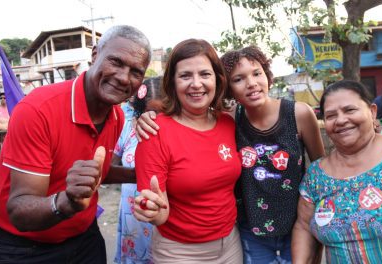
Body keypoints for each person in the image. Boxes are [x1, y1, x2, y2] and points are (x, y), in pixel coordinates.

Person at [136, 45, 325, 263]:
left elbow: (320, 172)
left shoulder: (288, 114)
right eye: (238, 79)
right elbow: (159, 207)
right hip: (227, 238)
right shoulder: (227, 120)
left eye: (257, 74)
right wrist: (149, 114)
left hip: (284, 230)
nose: (251, 83)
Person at [0, 25, 151, 263]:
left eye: (136, 72)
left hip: (84, 238)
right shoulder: (38, 110)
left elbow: (98, 173)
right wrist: (66, 202)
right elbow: (19, 211)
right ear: (95, 54)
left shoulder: (116, 116)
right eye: (116, 62)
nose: (123, 77)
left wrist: (144, 174)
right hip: (24, 248)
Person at [292, 80, 382, 263]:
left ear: (372, 112)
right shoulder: (317, 176)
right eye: (331, 115)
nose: (341, 120)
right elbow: (304, 227)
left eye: (350, 110)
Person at [133, 39, 243, 263]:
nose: (196, 84)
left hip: (231, 244)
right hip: (179, 253)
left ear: (217, 79)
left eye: (205, 74)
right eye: (185, 76)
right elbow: (160, 211)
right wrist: (153, 211)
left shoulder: (228, 123)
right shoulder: (155, 131)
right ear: (172, 82)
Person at [113, 77, 161, 264]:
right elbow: (111, 165)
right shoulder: (127, 129)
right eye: (151, 111)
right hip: (132, 213)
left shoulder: (177, 130)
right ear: (140, 110)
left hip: (163, 214)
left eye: (162, 111)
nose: (156, 118)